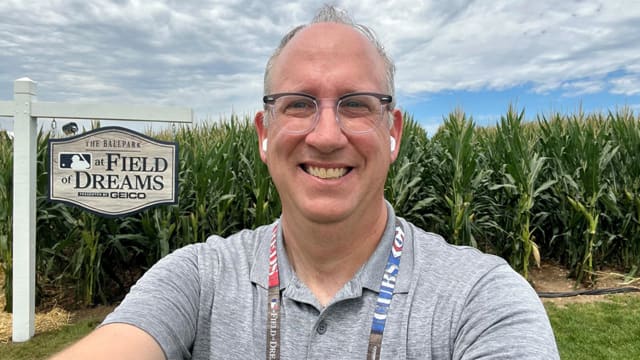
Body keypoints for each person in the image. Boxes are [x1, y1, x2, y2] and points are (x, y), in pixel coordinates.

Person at [51, 5, 559, 360]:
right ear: (264, 133)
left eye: (357, 104)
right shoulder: (199, 279)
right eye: (298, 104)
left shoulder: (480, 299)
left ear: (394, 132)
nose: (326, 135)